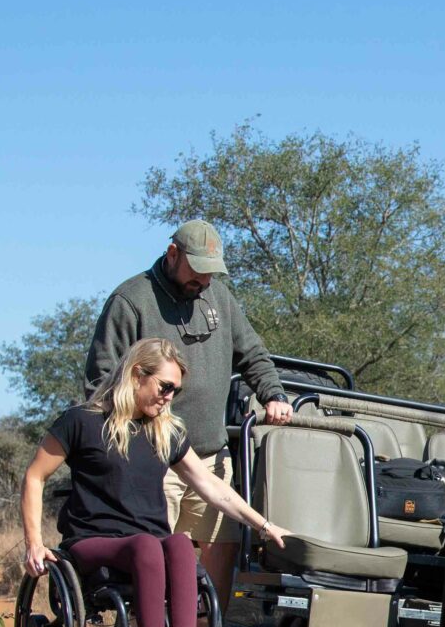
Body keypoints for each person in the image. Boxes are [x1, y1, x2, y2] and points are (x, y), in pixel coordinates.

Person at [23, 338, 289, 627]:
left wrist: (264, 525)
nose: (169, 397)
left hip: (143, 547)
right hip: (90, 544)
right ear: (136, 375)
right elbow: (34, 476)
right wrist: (34, 543)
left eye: (175, 391)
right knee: (149, 544)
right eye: (165, 387)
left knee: (178, 542)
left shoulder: (165, 430)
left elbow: (211, 485)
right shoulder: (81, 421)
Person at [86, 219, 293, 599]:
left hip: (211, 457)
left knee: (222, 549)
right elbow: (101, 380)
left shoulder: (220, 299)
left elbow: (253, 354)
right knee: (155, 562)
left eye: (212, 273)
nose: (205, 281)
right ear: (172, 254)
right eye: (197, 270)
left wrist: (273, 394)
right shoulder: (130, 300)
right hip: (153, 456)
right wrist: (135, 437)